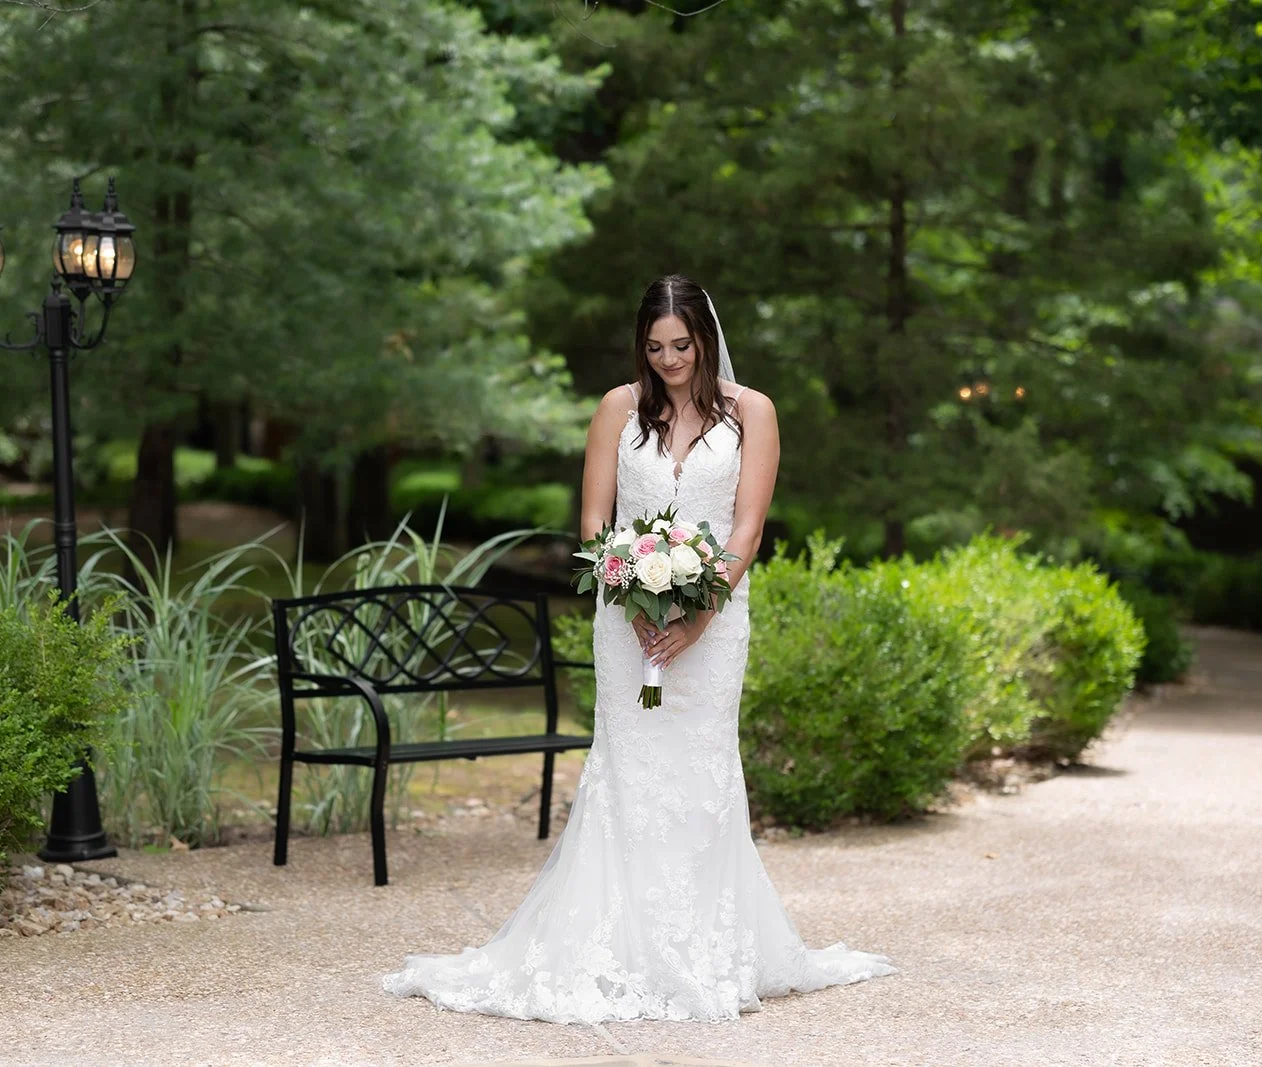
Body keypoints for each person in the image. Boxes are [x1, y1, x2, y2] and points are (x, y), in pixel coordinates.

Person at [381, 274, 896, 1023]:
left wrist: (697, 619)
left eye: (681, 345)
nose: (669, 360)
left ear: (705, 338)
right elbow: (595, 524)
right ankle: (618, 946)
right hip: (626, 621)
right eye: (655, 347)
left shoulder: (753, 412)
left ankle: (704, 946)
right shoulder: (617, 410)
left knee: (702, 766)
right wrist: (631, 599)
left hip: (716, 623)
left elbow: (747, 529)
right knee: (629, 767)